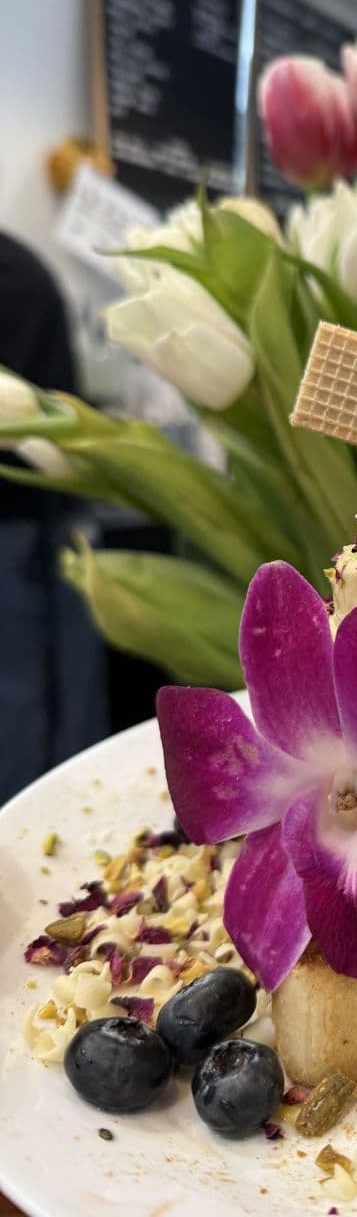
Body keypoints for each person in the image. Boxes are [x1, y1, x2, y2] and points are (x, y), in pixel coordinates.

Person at [0, 232, 107, 805]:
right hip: (39, 521)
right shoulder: (22, 266)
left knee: (24, 712)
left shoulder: (13, 276)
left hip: (23, 533)